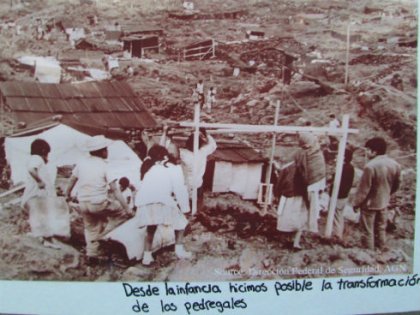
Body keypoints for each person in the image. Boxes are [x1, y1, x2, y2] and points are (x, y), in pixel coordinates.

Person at [66, 135, 131, 264]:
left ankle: (92, 255)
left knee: (91, 227)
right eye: (106, 149)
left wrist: (67, 194)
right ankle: (105, 237)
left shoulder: (82, 162)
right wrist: (127, 208)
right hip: (99, 203)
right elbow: (115, 189)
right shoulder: (105, 165)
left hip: (83, 203)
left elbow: (72, 179)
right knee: (120, 213)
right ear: (102, 151)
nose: (107, 151)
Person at [135, 145, 191, 265]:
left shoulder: (148, 167)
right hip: (162, 200)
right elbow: (180, 189)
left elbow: (141, 187)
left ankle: (147, 257)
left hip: (144, 201)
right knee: (181, 223)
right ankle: (179, 250)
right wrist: (185, 209)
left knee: (151, 228)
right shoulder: (173, 167)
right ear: (166, 155)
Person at [352, 137, 401, 251]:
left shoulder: (370, 166)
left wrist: (356, 203)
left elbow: (364, 189)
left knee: (367, 230)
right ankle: (382, 248)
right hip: (384, 201)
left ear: (375, 152)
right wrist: (388, 193)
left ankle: (368, 253)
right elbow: (397, 184)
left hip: (369, 204)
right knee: (381, 227)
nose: (366, 153)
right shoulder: (395, 164)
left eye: (368, 150)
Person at [21, 139, 60, 249]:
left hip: (37, 194)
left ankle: (40, 235)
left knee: (39, 215)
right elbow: (31, 169)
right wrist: (40, 181)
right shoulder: (36, 158)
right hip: (37, 194)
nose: (47, 156)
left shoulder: (37, 160)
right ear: (43, 150)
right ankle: (47, 240)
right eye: (47, 153)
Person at [294, 133, 326, 234]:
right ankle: (306, 227)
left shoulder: (315, 153)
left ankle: (311, 229)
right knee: (310, 207)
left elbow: (317, 168)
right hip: (311, 184)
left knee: (312, 207)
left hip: (313, 184)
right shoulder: (308, 152)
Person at [180, 129, 217, 212]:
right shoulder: (202, 152)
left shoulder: (183, 153)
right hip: (197, 185)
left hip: (187, 186)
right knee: (196, 209)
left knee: (184, 209)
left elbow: (168, 150)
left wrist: (167, 135)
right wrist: (206, 134)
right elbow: (213, 145)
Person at [274, 161, 309, 249]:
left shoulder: (286, 169)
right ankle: (295, 243)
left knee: (284, 219)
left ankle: (284, 241)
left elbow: (279, 184)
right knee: (299, 220)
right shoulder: (305, 169)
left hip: (287, 197)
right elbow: (307, 185)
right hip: (299, 198)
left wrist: (277, 195)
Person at [331, 148, 355, 240]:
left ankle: (337, 235)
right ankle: (338, 234)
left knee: (336, 215)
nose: (336, 156)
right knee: (339, 215)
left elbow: (338, 182)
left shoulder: (343, 168)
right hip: (343, 195)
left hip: (338, 196)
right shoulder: (350, 167)